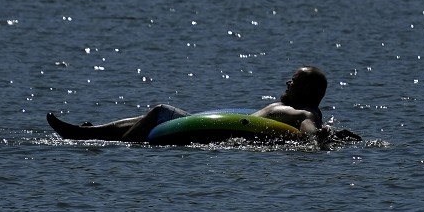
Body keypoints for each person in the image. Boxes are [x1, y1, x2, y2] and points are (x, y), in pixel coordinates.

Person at [47, 65, 359, 145]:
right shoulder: (303, 110)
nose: (287, 83)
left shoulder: (303, 111)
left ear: (305, 89)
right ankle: (89, 133)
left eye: (293, 80)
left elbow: (309, 128)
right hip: (220, 127)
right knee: (152, 117)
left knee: (159, 111)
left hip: (216, 132)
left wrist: (318, 136)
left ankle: (118, 146)